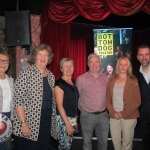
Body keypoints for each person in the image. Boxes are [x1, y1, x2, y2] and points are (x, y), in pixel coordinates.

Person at [12, 43, 57, 150]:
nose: (43, 57)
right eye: (40, 54)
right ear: (35, 56)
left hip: (45, 123)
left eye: (45, 55)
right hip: (29, 123)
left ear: (49, 58)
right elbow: (18, 100)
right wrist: (24, 123)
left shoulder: (51, 76)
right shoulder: (26, 73)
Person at [106, 57, 141, 150]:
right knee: (115, 142)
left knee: (127, 143)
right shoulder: (111, 80)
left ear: (128, 66)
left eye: (125, 64)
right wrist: (113, 113)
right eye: (121, 64)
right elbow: (108, 99)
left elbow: (137, 100)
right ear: (118, 66)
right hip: (114, 116)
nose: (123, 66)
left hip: (129, 117)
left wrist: (123, 114)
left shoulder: (133, 80)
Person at [76, 53, 109, 150]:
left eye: (96, 62)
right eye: (91, 62)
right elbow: (79, 96)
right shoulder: (81, 79)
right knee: (87, 144)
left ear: (100, 63)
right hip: (87, 116)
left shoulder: (106, 78)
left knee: (103, 144)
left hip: (103, 116)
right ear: (87, 64)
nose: (94, 65)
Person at [54, 58, 79, 150]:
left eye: (71, 66)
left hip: (70, 118)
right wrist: (68, 124)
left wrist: (74, 120)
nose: (68, 68)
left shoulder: (73, 82)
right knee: (64, 146)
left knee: (68, 145)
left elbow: (73, 103)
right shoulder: (59, 84)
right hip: (62, 119)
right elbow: (59, 106)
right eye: (66, 66)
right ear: (61, 69)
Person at [134, 44, 150, 150]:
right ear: (137, 57)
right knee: (146, 143)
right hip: (142, 115)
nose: (144, 57)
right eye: (141, 55)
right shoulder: (133, 74)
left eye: (147, 54)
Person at [0, 51, 14, 150]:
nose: (3, 63)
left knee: (6, 146)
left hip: (7, 117)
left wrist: (10, 127)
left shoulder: (10, 80)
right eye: (0, 60)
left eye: (6, 61)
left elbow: (12, 104)